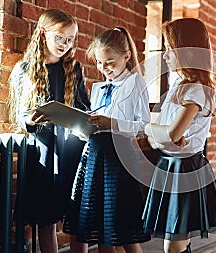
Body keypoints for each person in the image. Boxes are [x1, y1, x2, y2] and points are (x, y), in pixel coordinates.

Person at [8, 9, 90, 253]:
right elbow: (22, 115)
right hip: (44, 152)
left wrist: (86, 119)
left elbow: (84, 107)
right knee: (46, 219)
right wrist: (31, 119)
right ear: (43, 34)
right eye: (60, 37)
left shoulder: (74, 70)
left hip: (72, 150)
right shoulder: (26, 70)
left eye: (71, 39)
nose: (65, 44)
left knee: (77, 217)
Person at [63, 27, 151, 253]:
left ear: (126, 56)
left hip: (118, 159)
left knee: (121, 228)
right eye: (100, 63)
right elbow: (93, 126)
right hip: (93, 156)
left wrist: (111, 123)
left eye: (110, 63)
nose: (104, 69)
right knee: (92, 225)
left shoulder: (136, 83)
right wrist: (77, 125)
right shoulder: (99, 87)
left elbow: (142, 127)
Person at [142, 18, 216, 253]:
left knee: (174, 246)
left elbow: (171, 132)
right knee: (174, 243)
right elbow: (161, 133)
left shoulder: (197, 89)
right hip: (170, 164)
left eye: (170, 49)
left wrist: (155, 132)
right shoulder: (179, 86)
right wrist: (159, 134)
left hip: (185, 167)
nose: (165, 56)